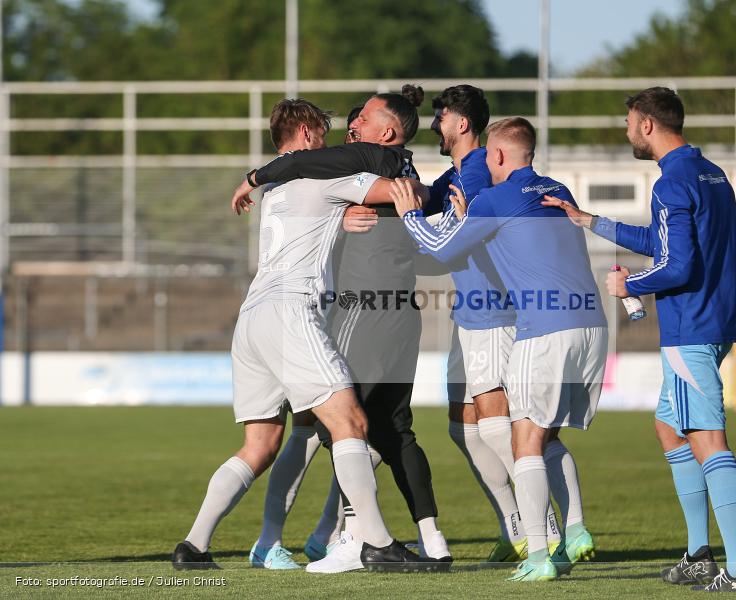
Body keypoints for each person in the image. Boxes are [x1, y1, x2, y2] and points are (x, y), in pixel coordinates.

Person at [172, 98, 422, 572]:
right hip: (291, 312)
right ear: (307, 135)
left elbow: (319, 221)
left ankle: (194, 544)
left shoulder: (275, 190)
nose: (331, 145)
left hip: (252, 319)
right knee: (351, 422)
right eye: (323, 136)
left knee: (261, 444)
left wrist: (341, 219)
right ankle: (379, 543)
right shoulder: (325, 177)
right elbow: (400, 191)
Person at [543, 87, 736, 593]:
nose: (625, 131)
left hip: (691, 328)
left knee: (707, 439)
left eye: (628, 122)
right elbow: (667, 243)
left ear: (647, 125)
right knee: (668, 427)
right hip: (714, 319)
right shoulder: (711, 174)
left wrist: (630, 285)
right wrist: (588, 220)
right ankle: (699, 554)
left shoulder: (671, 182)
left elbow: (677, 264)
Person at [234, 86, 452, 573]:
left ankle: (339, 537)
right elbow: (420, 228)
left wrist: (253, 178)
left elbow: (292, 165)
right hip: (384, 309)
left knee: (324, 429)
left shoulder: (351, 167)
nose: (352, 127)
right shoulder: (398, 168)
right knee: (377, 428)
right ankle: (414, 538)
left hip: (353, 309)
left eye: (363, 120)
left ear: (385, 132)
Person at [392, 117, 608, 582]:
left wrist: (410, 213)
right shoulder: (556, 189)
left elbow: (441, 247)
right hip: (590, 321)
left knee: (523, 438)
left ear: (499, 156)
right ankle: (574, 530)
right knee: (544, 434)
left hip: (541, 326)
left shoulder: (495, 197)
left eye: (488, 154)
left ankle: (539, 550)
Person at [426, 84, 568, 564]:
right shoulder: (457, 173)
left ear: (460, 123)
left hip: (493, 311)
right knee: (462, 427)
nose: (435, 124)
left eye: (440, 115)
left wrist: (403, 229)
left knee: (499, 427)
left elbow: (449, 244)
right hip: (468, 311)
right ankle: (515, 528)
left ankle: (543, 527)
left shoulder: (482, 175)